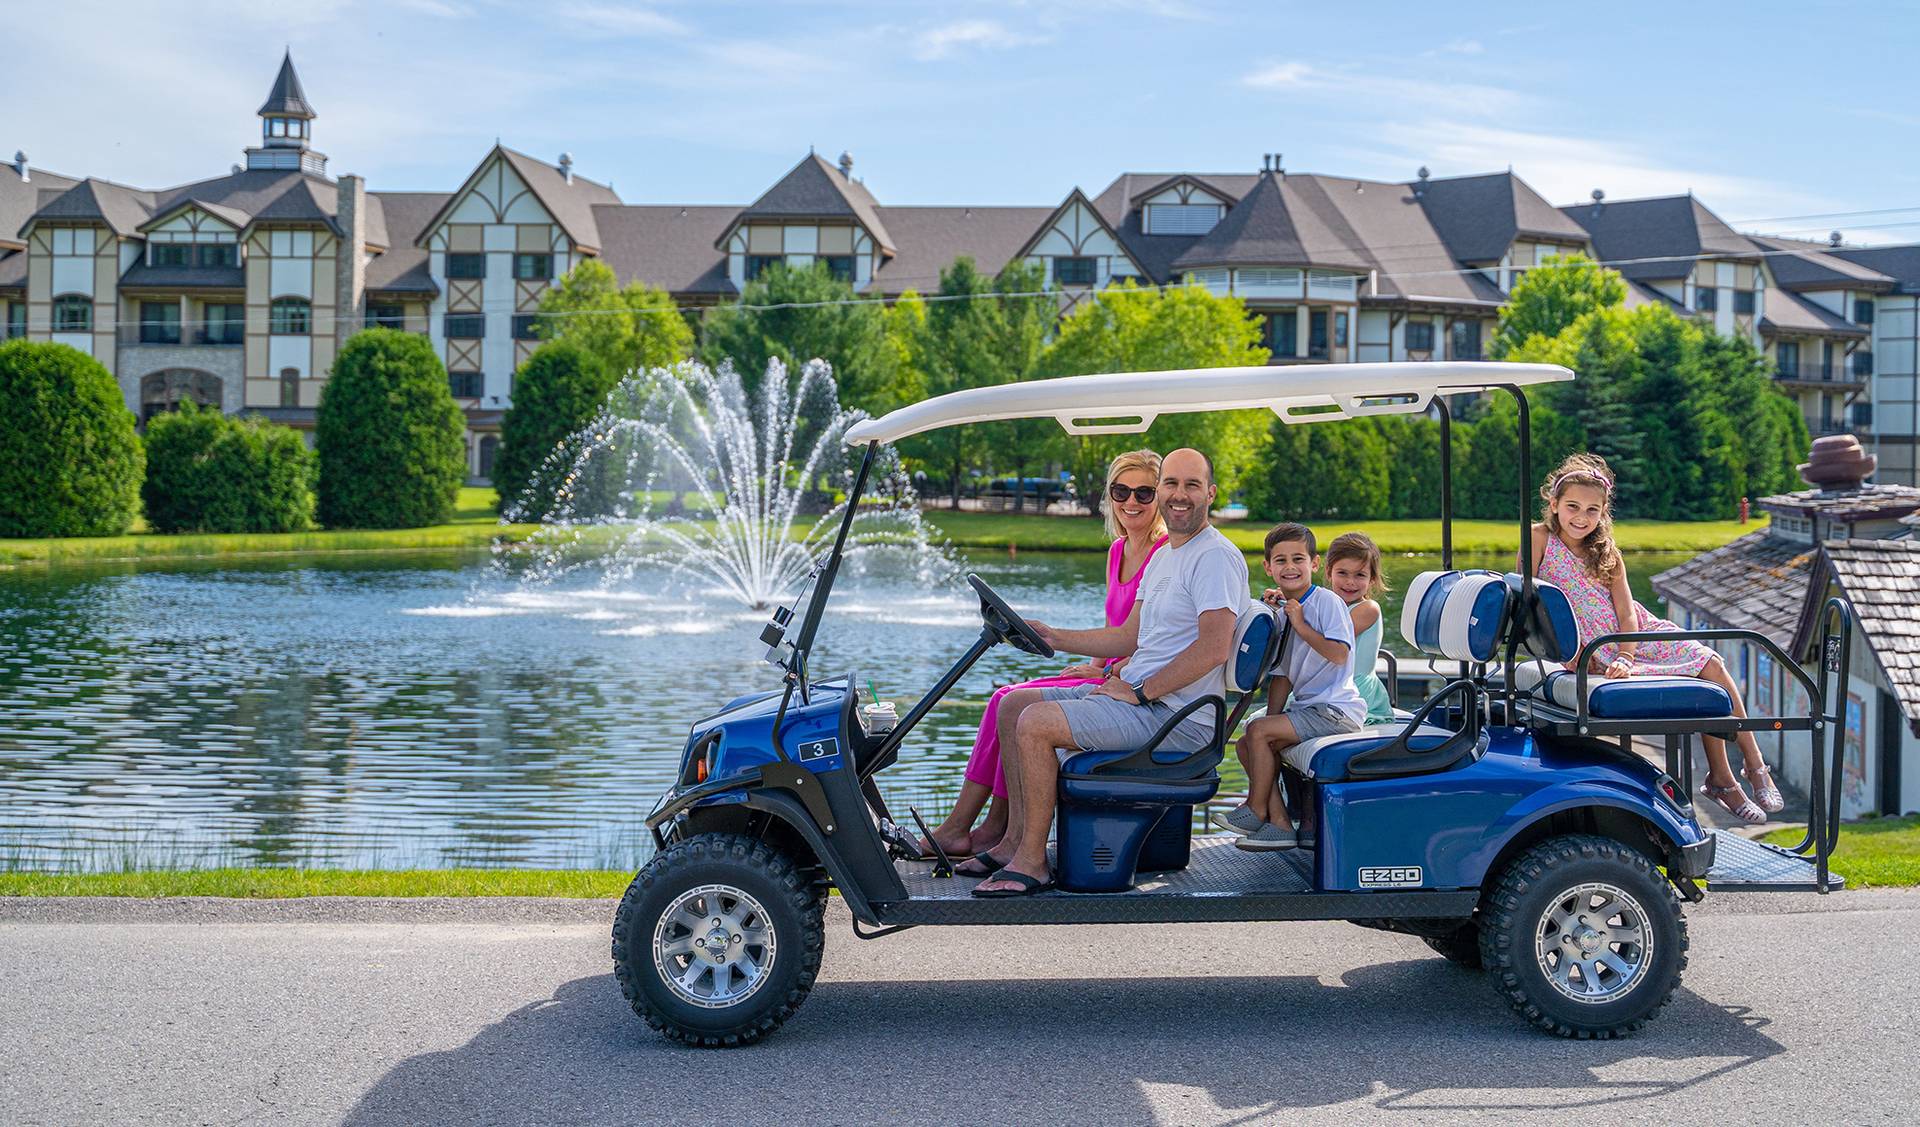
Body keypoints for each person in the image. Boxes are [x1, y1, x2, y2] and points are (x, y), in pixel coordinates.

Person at [971, 448, 1246, 897]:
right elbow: (1128, 638)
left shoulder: (1214, 557)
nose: (1179, 495)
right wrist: (1055, 636)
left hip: (1176, 718)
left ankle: (1033, 863)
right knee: (1014, 705)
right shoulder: (1166, 558)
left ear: (1210, 494)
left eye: (1191, 485)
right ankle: (1013, 843)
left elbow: (1214, 648)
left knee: (1036, 725)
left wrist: (1141, 691)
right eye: (1171, 484)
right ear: (1162, 492)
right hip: (1147, 703)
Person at [920, 450, 1169, 874]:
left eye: (1144, 492)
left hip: (1125, 682)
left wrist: (1104, 671)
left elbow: (1151, 639)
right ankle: (977, 828)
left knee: (1010, 702)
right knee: (1005, 697)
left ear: (1160, 498)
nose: (1131, 501)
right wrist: (1091, 663)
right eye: (1121, 491)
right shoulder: (1117, 551)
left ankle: (982, 829)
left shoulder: (1163, 554)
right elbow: (1113, 626)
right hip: (1104, 670)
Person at [1531, 453, 1783, 823]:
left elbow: (1627, 611)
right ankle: (1724, 780)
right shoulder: (1539, 538)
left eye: (1592, 510)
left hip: (1633, 636)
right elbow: (1532, 599)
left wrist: (1627, 655)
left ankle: (1752, 763)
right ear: (1553, 504)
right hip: (1589, 646)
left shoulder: (1607, 553)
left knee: (1709, 663)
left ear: (1604, 511)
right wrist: (1564, 650)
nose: (1581, 518)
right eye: (1572, 507)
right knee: (1701, 672)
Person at [1222, 523, 1367, 850]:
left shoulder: (1327, 603)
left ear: (1314, 564)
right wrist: (1265, 722)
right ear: (1268, 568)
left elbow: (1339, 654)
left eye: (1298, 559)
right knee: (1249, 741)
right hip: (1309, 709)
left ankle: (1255, 808)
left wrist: (1300, 624)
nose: (1290, 567)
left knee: (1259, 732)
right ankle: (1282, 826)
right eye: (1281, 561)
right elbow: (1283, 675)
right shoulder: (1285, 611)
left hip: (1336, 711)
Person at [1323, 531, 1396, 725]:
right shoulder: (1328, 605)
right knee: (1252, 734)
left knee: (1267, 733)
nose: (1350, 582)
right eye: (1342, 573)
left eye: (1360, 575)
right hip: (1327, 688)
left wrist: (1299, 613)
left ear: (1372, 578)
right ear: (1329, 572)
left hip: (1356, 694)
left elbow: (1327, 639)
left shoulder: (1367, 609)